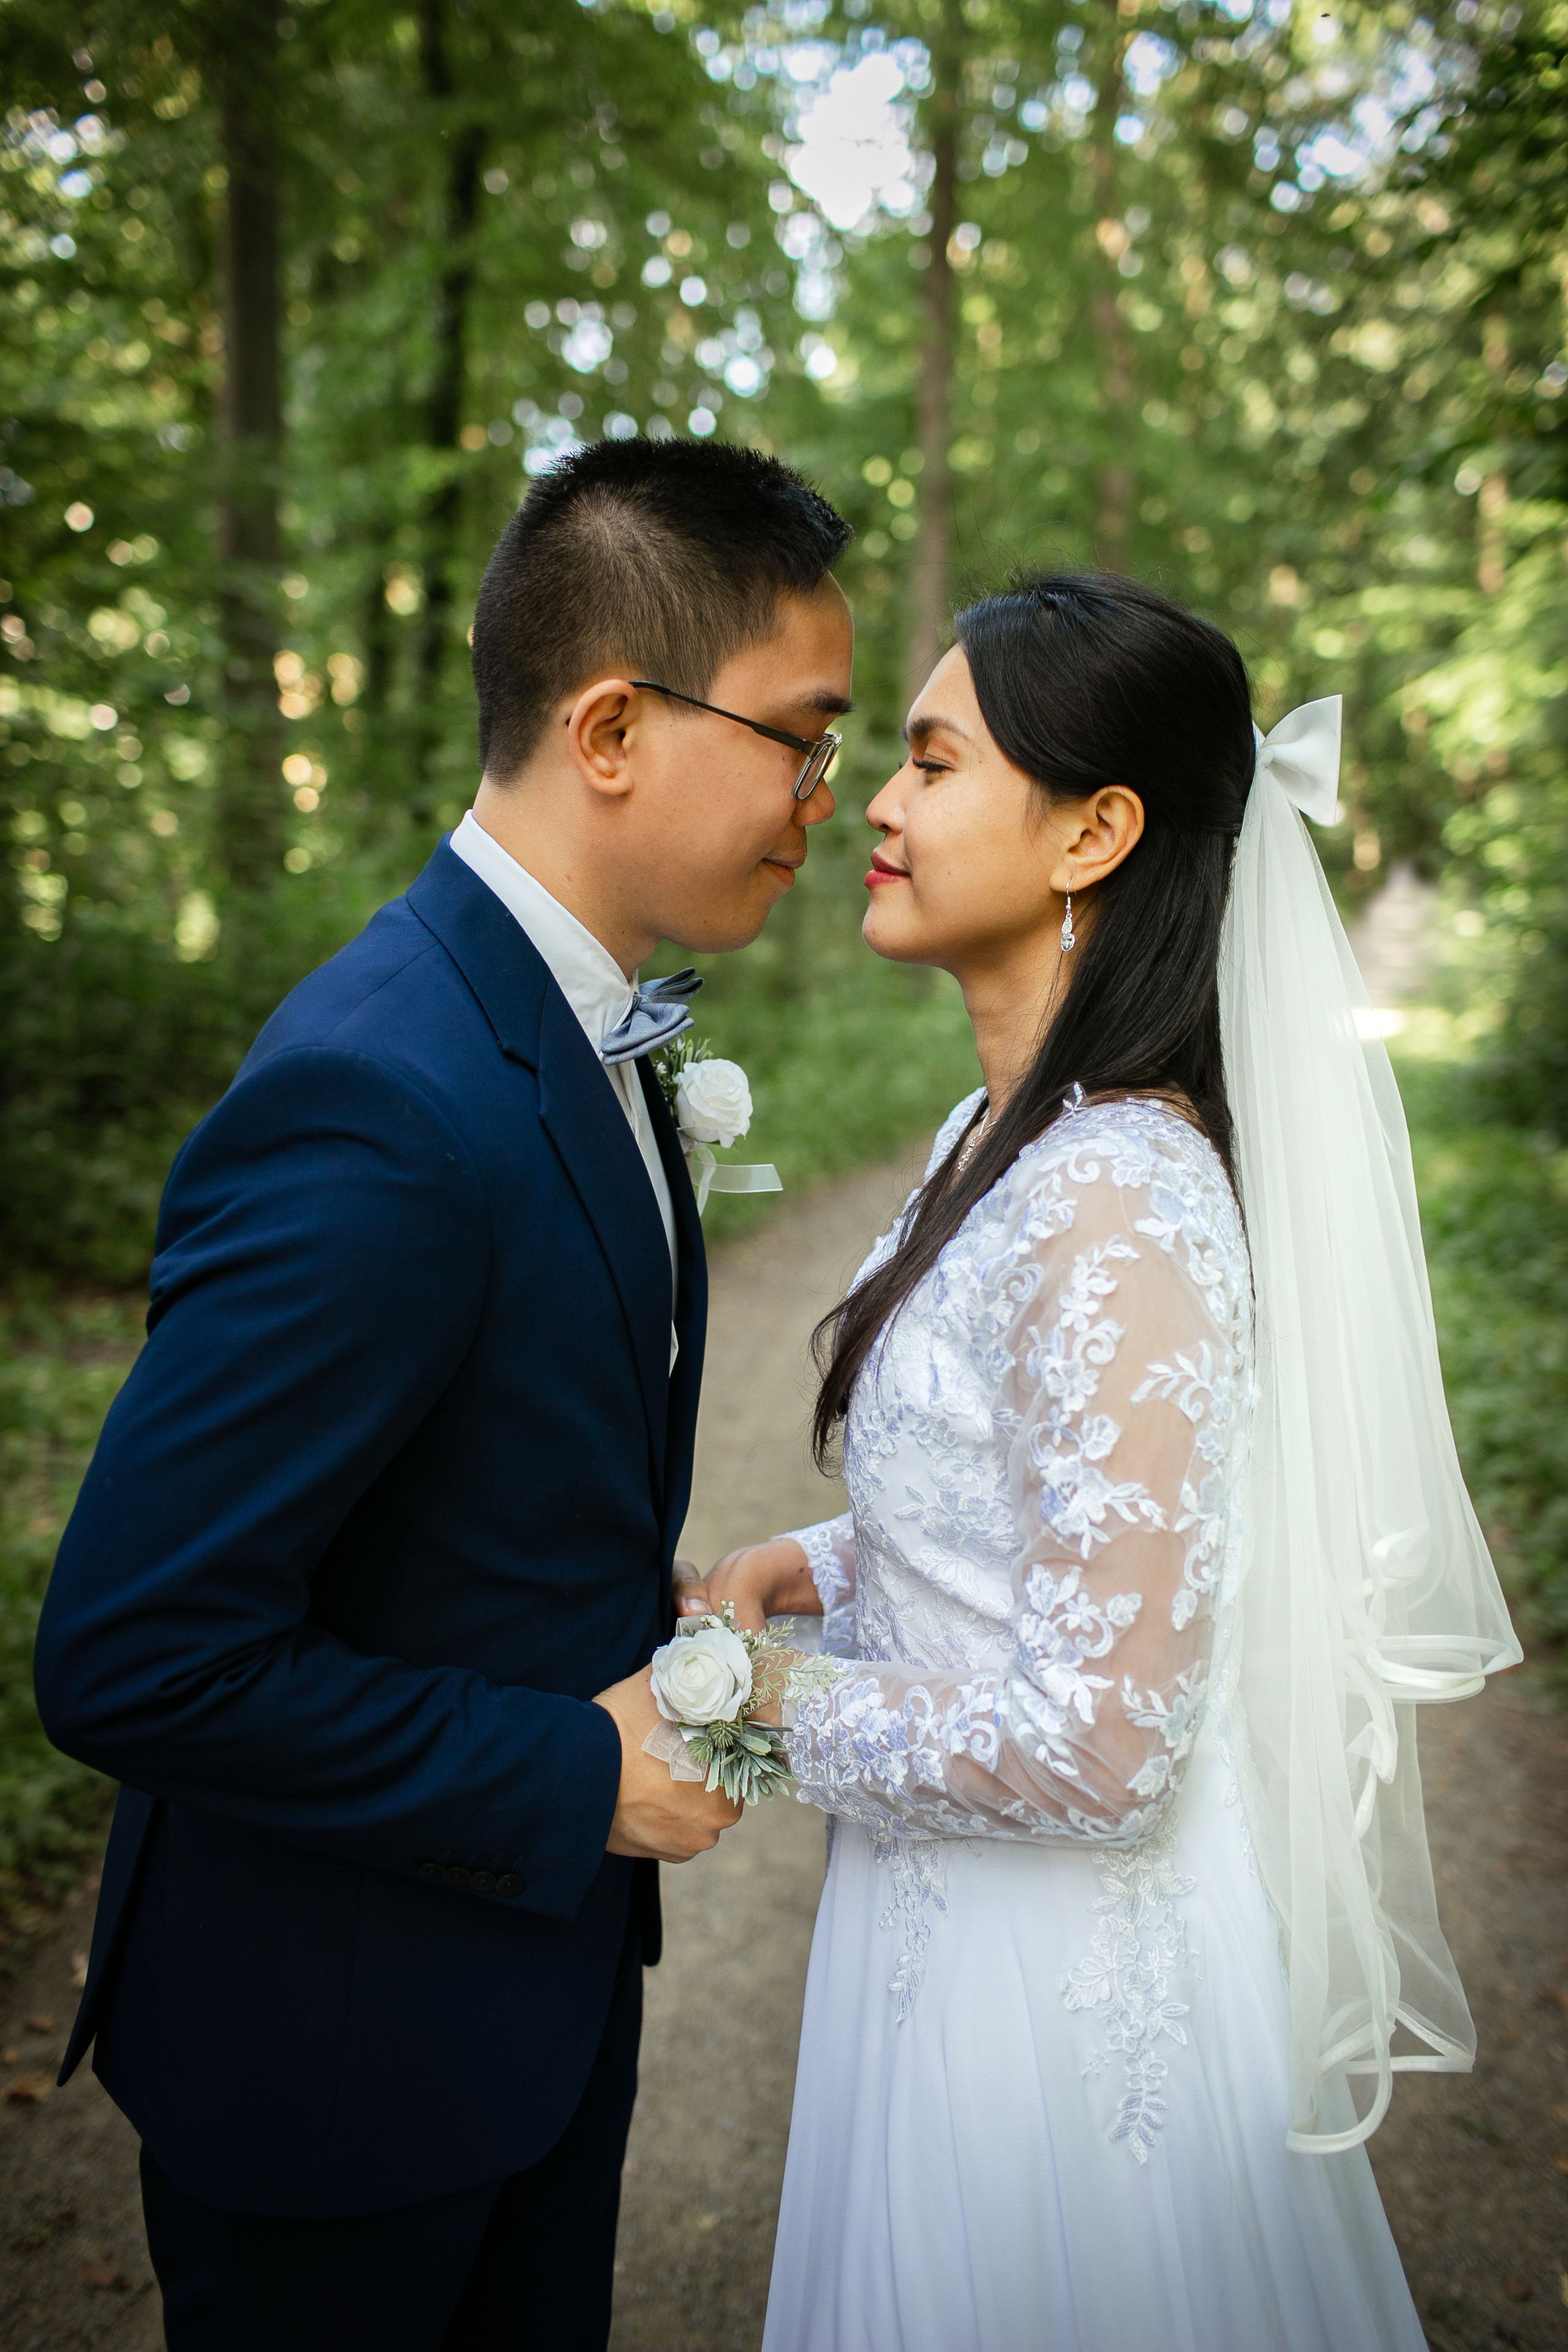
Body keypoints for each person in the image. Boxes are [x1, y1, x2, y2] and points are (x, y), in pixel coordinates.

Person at [32, 435, 854, 2351]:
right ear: (616, 726)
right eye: (801, 739)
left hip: (530, 2010)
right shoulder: (386, 1095)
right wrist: (579, 1771)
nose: (828, 799)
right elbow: (136, 1654)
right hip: (338, 2073)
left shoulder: (597, 1023)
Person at [685, 573, 1519, 2352]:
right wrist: (817, 1569)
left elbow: (1105, 1746)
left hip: (1056, 2015)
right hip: (928, 1937)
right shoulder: (995, 1133)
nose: (876, 808)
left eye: (929, 761)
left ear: (1095, 832)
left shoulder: (1125, 1197)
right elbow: (1040, 1494)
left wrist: (752, 1700)